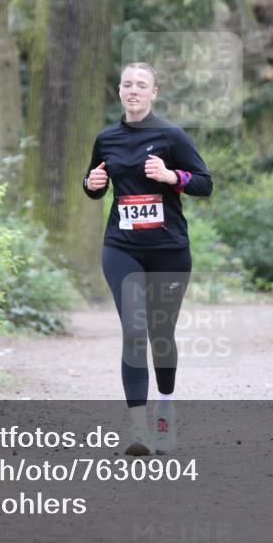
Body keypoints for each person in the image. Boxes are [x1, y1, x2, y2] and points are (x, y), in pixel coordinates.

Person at [82, 62, 213, 456]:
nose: (133, 90)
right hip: (121, 247)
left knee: (160, 334)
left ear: (154, 93)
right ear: (119, 91)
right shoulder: (107, 139)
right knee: (135, 331)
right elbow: (93, 183)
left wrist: (173, 177)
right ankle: (138, 429)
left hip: (169, 250)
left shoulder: (171, 135)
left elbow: (204, 183)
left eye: (142, 85)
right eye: (127, 84)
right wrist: (91, 184)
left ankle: (165, 410)